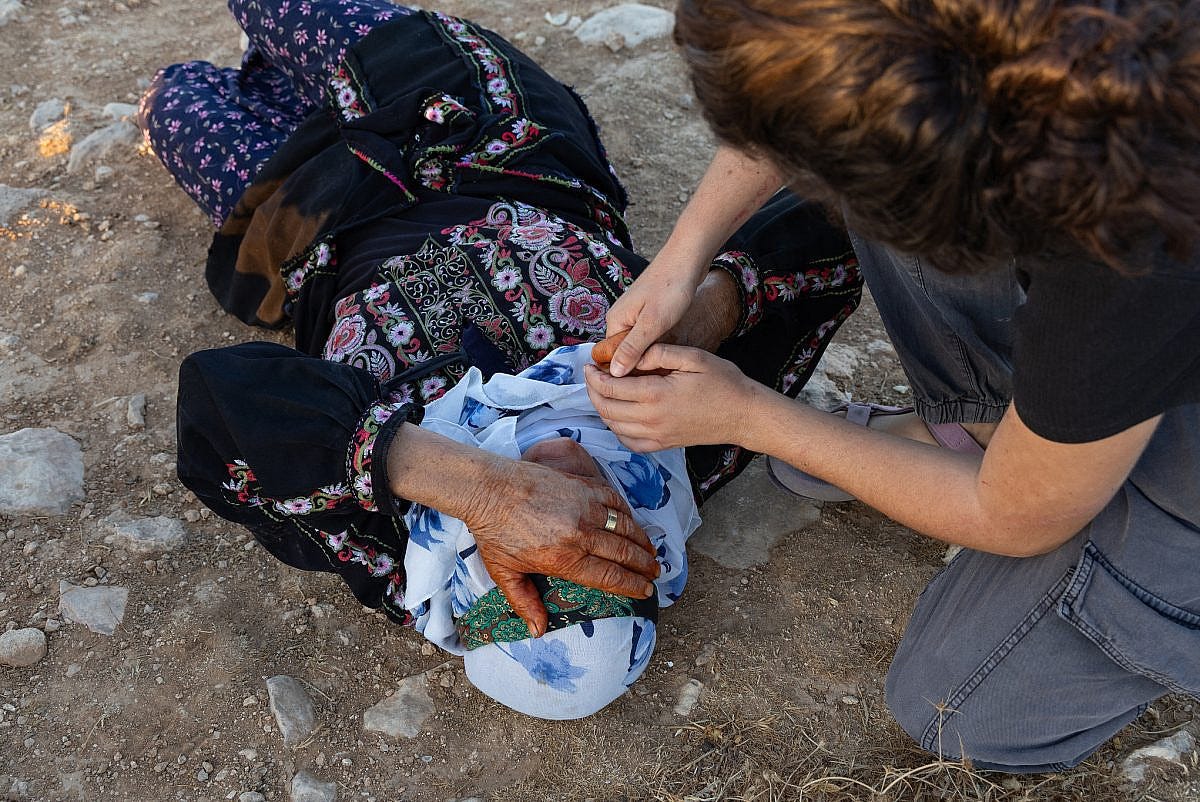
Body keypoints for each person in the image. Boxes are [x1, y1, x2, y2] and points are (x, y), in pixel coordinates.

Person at [141, 0, 862, 716]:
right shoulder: (686, 426)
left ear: (465, 587)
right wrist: (711, 304)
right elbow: (834, 216)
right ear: (645, 553)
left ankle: (270, 84)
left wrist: (484, 492)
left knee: (173, 100)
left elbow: (222, 392)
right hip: (474, 126)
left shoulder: (391, 532)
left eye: (531, 565)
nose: (564, 517)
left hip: (310, 220)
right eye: (596, 555)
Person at [585, 0, 1200, 772]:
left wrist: (749, 414)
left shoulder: (1128, 259)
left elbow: (1010, 515)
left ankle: (1041, 456)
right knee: (862, 170)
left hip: (1160, 352)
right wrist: (683, 256)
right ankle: (985, 433)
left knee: (959, 711)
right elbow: (798, 76)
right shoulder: (976, 58)